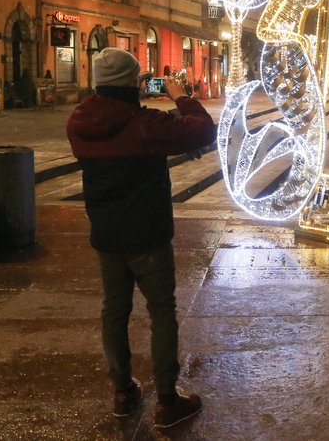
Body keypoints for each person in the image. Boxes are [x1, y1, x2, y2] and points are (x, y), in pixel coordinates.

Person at [66, 48, 217, 428]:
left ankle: (122, 391)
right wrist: (179, 95)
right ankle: (167, 400)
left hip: (106, 234)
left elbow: (126, 142)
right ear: (134, 83)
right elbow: (202, 127)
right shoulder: (146, 123)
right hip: (148, 235)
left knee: (113, 311)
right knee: (161, 311)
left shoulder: (79, 122)